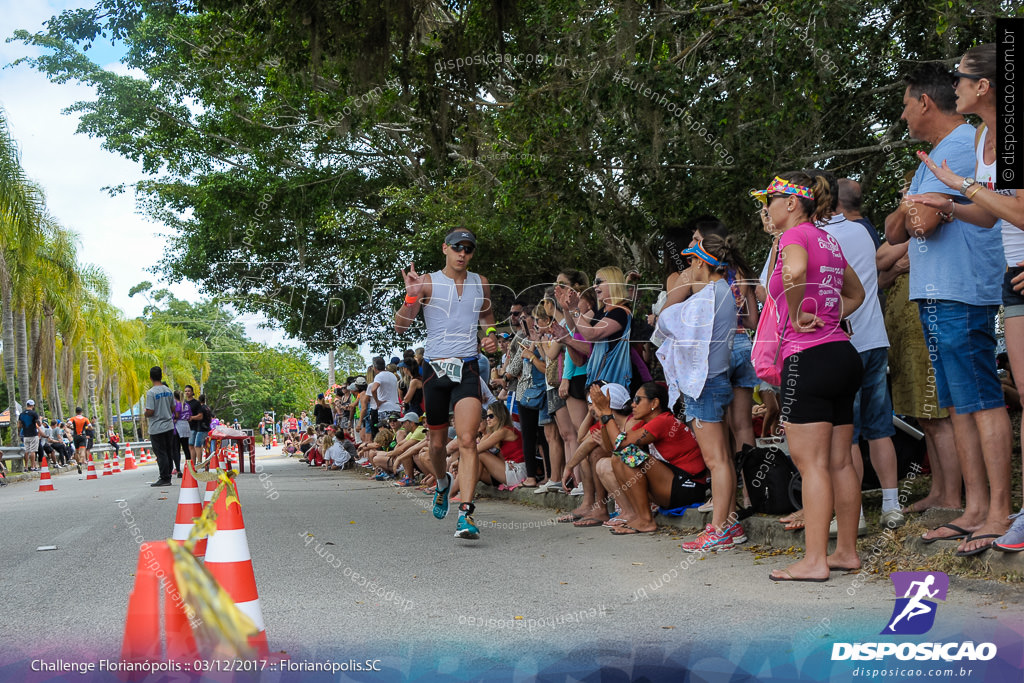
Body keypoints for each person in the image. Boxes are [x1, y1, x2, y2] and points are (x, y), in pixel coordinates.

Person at [886, 60, 1012, 556]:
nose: (902, 115)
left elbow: (924, 223)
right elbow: (901, 226)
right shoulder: (945, 150)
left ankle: (998, 511)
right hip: (938, 290)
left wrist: (917, 208)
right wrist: (913, 209)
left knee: (981, 399)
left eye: (904, 103)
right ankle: (975, 507)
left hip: (962, 289)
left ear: (925, 101)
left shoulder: (962, 143)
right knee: (960, 403)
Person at [753, 171, 865, 581]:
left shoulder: (792, 238)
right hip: (841, 354)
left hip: (808, 358)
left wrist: (799, 312)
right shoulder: (830, 240)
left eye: (770, 200)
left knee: (812, 464)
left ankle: (815, 560)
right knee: (839, 462)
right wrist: (830, 317)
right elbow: (857, 294)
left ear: (792, 203)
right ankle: (846, 552)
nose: (765, 209)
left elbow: (795, 273)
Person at [394, 227, 500, 540]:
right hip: (435, 371)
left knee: (468, 440)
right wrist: (411, 296)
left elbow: (487, 317)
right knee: (437, 445)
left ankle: (465, 513)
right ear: (445, 249)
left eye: (468, 249)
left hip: (467, 368)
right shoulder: (427, 281)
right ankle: (442, 482)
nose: (463, 254)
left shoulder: (480, 282)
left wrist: (491, 337)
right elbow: (401, 326)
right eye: (457, 248)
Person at [821, 170, 904, 531]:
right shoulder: (860, 231)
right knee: (880, 428)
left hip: (844, 343)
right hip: (875, 337)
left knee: (846, 432)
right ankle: (891, 504)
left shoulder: (820, 238)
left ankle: (851, 514)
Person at [594, 382, 708, 535]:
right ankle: (639, 516)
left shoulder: (663, 421)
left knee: (627, 454)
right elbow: (613, 448)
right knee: (618, 458)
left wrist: (608, 412)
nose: (633, 404)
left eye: (638, 399)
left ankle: (646, 520)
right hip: (673, 484)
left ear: (654, 403)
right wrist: (603, 415)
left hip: (689, 487)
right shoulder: (646, 423)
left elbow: (622, 445)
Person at [473, 401, 526, 488]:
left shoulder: (504, 431)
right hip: (510, 469)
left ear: (500, 416)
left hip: (517, 471)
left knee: (481, 455)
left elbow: (477, 449)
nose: (487, 419)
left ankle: (462, 494)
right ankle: (459, 493)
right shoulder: (500, 431)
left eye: (491, 416)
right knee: (478, 470)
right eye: (487, 416)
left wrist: (459, 461)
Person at [144, 367, 176, 487]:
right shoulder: (168, 391)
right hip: (169, 425)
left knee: (160, 453)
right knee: (168, 452)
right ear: (161, 376)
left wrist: (145, 413)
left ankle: (164, 477)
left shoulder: (151, 393)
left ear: (150, 377)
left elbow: (150, 411)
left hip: (157, 427)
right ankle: (168, 475)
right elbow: (173, 408)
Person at [18, 399, 41, 471]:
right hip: (33, 434)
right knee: (33, 451)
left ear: (27, 405)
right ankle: (33, 466)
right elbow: (38, 423)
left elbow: (19, 425)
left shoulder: (21, 414)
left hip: (25, 435)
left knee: (26, 451)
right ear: (32, 405)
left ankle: (25, 467)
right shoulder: (34, 413)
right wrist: (39, 421)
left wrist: (19, 433)